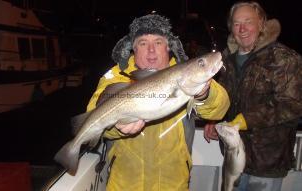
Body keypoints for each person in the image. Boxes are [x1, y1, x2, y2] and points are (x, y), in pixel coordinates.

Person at [86, 14, 230, 191]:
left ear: (169, 46)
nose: (151, 50)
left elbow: (220, 108)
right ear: (133, 48)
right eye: (143, 43)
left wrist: (205, 94)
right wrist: (116, 126)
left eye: (158, 42)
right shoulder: (116, 77)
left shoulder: (186, 73)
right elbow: (93, 113)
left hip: (173, 185)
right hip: (124, 185)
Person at [204, 1, 302, 191]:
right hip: (232, 156)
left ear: (261, 23)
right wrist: (214, 119)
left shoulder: (284, 58)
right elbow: (224, 96)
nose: (242, 29)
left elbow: (292, 104)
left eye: (248, 21)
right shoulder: (226, 59)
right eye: (236, 23)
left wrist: (245, 120)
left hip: (267, 161)